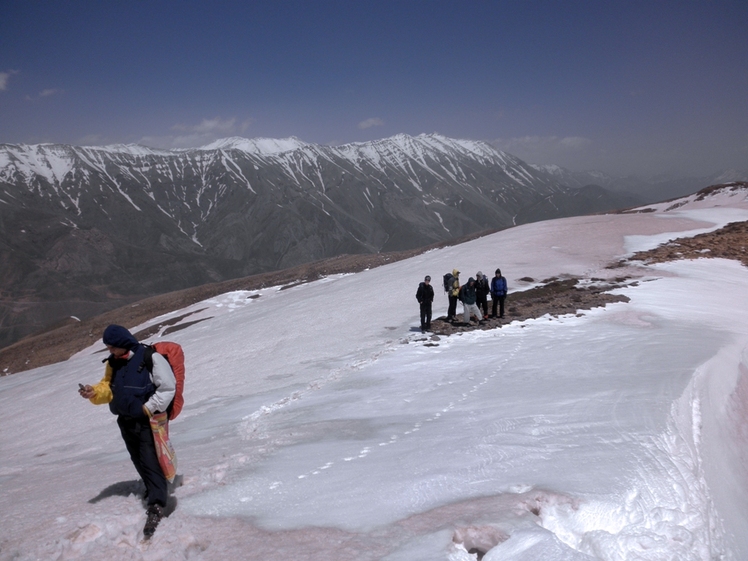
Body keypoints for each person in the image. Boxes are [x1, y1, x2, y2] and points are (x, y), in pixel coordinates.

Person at [78, 324, 176, 538]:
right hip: (125, 420)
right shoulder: (114, 363)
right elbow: (108, 388)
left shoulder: (150, 358)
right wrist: (93, 392)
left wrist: (146, 408)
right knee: (138, 459)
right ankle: (152, 490)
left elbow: (168, 387)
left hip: (145, 420)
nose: (110, 351)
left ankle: (158, 503)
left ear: (123, 344)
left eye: (112, 347)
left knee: (151, 460)